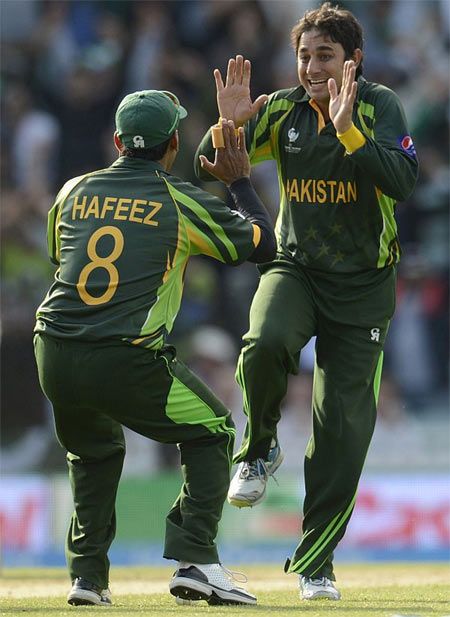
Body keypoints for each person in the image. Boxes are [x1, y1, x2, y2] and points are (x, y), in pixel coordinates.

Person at [195, 2, 418, 602]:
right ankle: (260, 446)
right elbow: (208, 164)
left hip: (364, 286)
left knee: (342, 429)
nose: (312, 67)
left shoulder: (379, 107)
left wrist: (348, 131)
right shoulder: (284, 110)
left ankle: (316, 564)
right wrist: (230, 128)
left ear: (354, 59)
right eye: (304, 56)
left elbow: (402, 182)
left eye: (324, 55)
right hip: (296, 267)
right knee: (264, 342)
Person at [34, 89, 277, 607]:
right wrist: (237, 181)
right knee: (213, 430)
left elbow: (60, 253)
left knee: (93, 453)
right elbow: (261, 245)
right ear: (173, 145)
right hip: (122, 352)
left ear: (118, 141)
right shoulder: (177, 197)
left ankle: (88, 579)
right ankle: (197, 560)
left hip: (54, 348)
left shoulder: (74, 189)